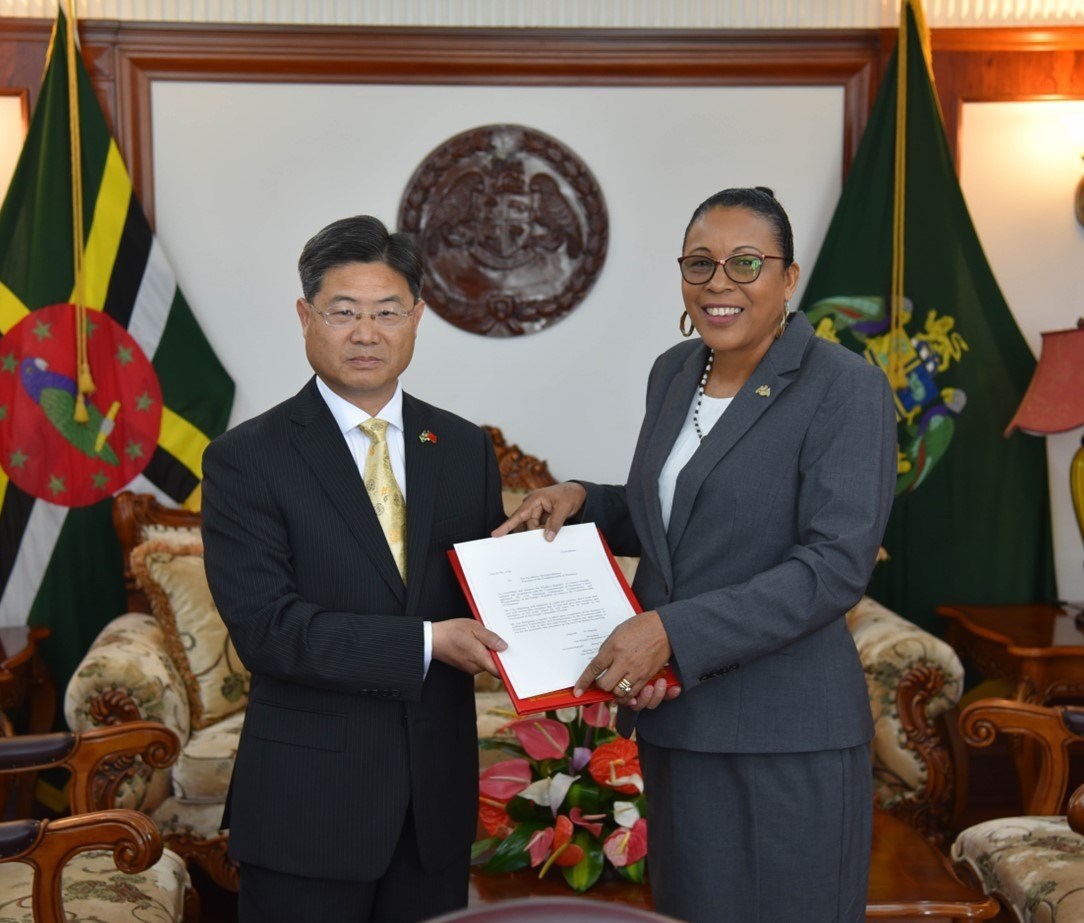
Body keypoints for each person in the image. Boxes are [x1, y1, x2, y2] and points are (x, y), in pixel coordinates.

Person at [495, 187, 897, 922]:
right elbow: (674, 516)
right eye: (699, 263)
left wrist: (670, 632)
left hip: (786, 735)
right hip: (679, 725)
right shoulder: (676, 371)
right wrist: (582, 498)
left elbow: (833, 568)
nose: (719, 282)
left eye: (746, 263)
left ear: (788, 277)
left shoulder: (845, 387)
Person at [201, 215, 508, 923]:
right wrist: (428, 642)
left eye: (387, 312)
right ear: (305, 317)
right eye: (343, 312)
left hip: (434, 805)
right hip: (308, 805)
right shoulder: (247, 458)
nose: (366, 333)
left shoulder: (463, 447)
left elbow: (491, 588)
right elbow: (269, 630)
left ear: (417, 318)